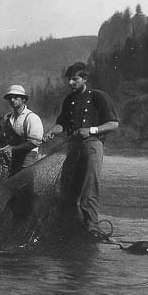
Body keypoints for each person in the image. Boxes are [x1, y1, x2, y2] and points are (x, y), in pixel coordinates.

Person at [43, 61, 119, 238]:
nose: (70, 83)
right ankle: (68, 223)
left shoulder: (98, 96)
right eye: (69, 79)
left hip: (93, 146)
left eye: (74, 79)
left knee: (89, 186)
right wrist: (52, 131)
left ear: (84, 79)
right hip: (73, 147)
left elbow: (113, 123)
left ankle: (92, 226)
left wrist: (91, 130)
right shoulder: (68, 100)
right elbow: (62, 124)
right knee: (67, 185)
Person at [0, 84, 44, 218]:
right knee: (12, 189)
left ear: (23, 100)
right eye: (10, 98)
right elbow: (4, 138)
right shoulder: (8, 118)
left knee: (25, 189)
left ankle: (29, 219)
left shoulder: (31, 118)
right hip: (13, 158)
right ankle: (16, 219)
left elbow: (36, 141)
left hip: (28, 156)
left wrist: (13, 148)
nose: (12, 100)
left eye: (16, 97)